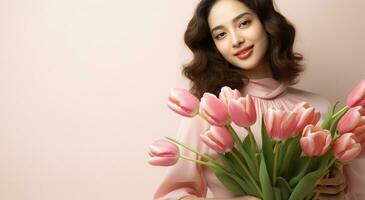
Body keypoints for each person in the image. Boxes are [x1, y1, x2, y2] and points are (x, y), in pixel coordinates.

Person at [154, 0, 359, 199]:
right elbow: (172, 196)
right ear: (214, 46)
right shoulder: (208, 113)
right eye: (221, 34)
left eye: (244, 23)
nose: (236, 40)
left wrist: (339, 189)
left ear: (266, 23)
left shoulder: (320, 108)